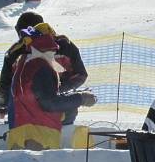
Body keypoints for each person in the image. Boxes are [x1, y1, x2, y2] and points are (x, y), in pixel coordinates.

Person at [6, 22, 96, 150]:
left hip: (19, 133)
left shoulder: (23, 65)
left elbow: (30, 100)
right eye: (52, 50)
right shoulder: (41, 68)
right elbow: (49, 103)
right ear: (46, 50)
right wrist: (80, 98)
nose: (53, 54)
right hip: (39, 136)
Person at [0, 11, 88, 120]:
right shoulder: (15, 52)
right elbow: (5, 86)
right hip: (49, 111)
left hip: (38, 113)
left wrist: (59, 89)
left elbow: (5, 87)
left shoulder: (64, 46)